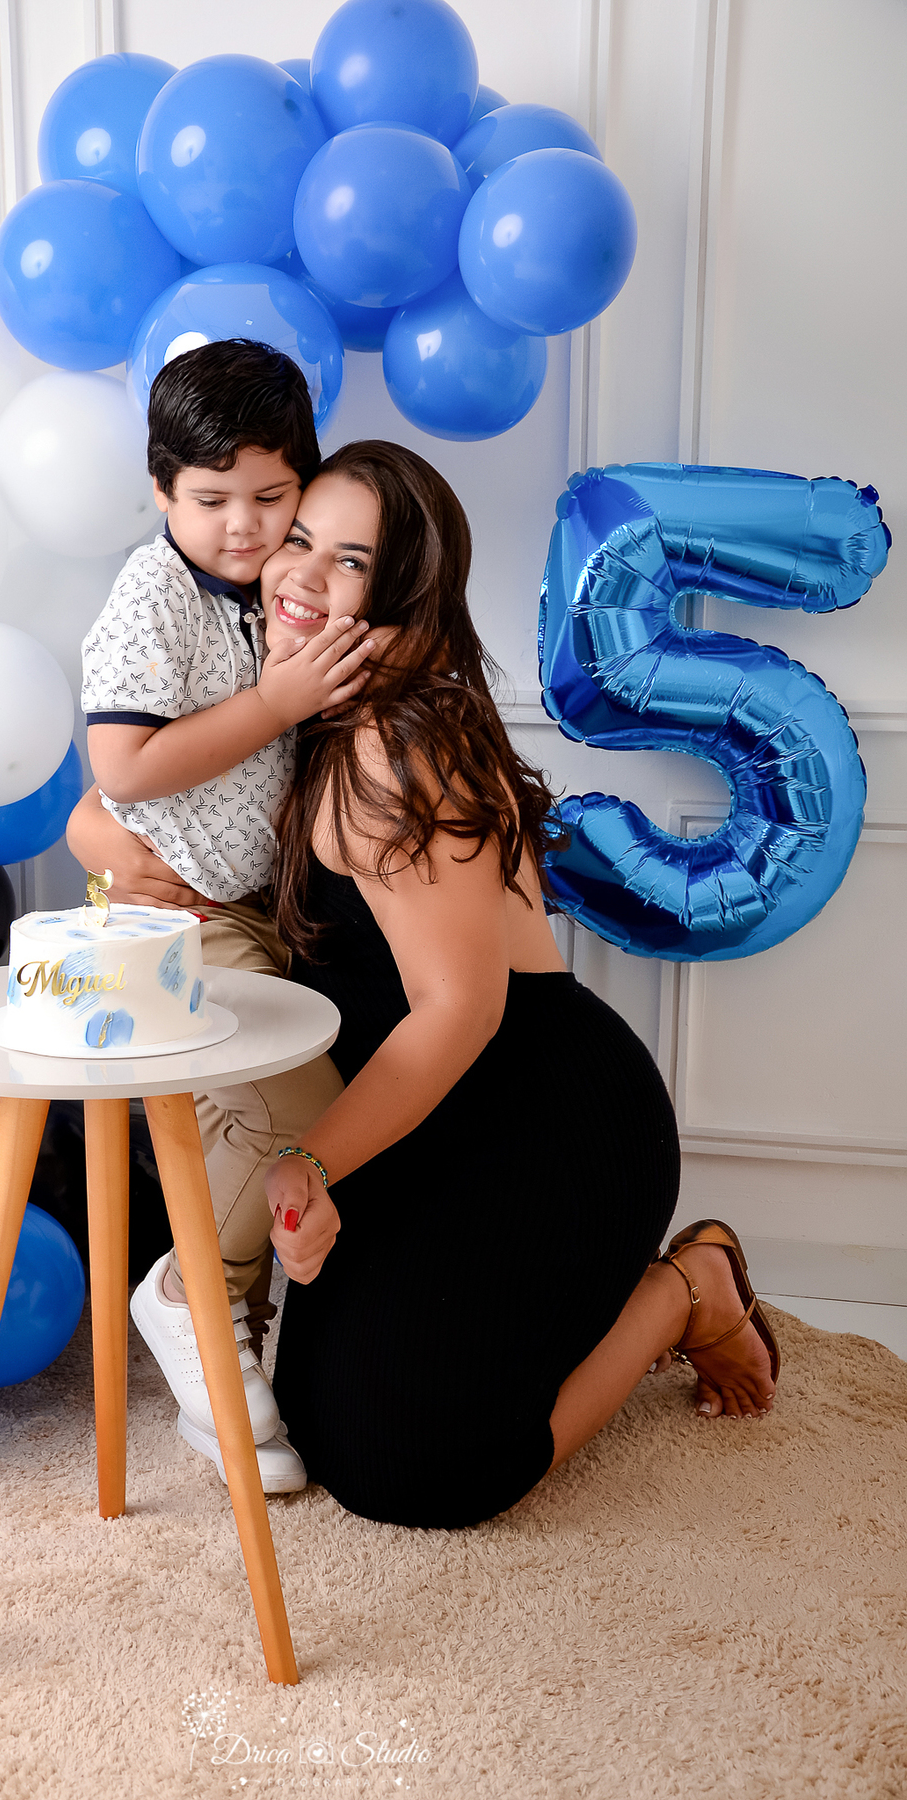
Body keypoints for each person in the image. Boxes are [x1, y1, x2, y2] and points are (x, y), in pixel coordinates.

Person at [253, 440, 781, 1529]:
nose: (299, 575)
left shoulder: (391, 746)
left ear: (404, 594)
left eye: (347, 561)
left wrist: (308, 1159)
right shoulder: (320, 713)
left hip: (544, 1111)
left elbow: (463, 1010)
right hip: (439, 1110)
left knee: (423, 1470)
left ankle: (686, 1290)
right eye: (298, 539)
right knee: (318, 1417)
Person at [69, 340, 387, 1492]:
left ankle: (218, 1328)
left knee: (273, 1135)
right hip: (175, 918)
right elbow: (125, 767)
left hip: (261, 911)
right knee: (301, 1125)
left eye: (271, 497)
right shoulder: (156, 592)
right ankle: (185, 1296)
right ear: (160, 493)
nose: (246, 529)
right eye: (211, 502)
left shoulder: (278, 584)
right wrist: (276, 702)